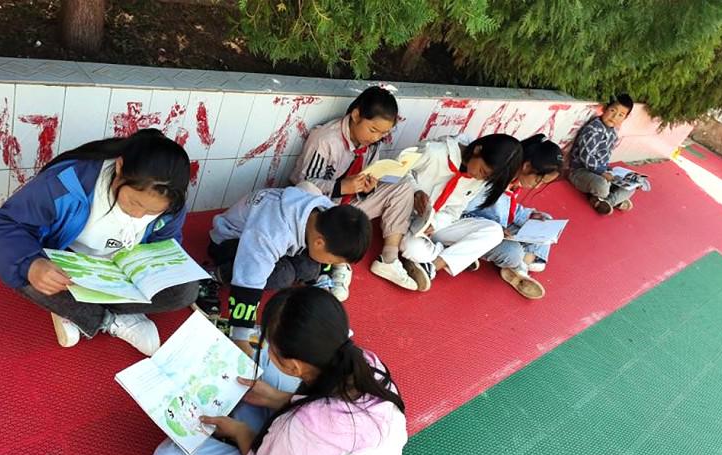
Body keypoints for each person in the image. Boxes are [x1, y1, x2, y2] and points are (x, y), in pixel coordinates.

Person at [151, 286, 408, 455]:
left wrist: (240, 433)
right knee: (255, 363)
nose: (268, 347)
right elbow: (329, 414)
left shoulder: (303, 429)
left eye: (272, 345)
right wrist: (276, 398)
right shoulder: (368, 364)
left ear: (295, 367)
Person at [0, 129, 196, 355]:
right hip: (67, 266)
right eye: (134, 202)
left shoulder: (171, 206)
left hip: (120, 271)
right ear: (119, 167)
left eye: (152, 211)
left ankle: (75, 311)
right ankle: (107, 320)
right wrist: (32, 265)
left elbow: (164, 246)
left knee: (186, 290)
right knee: (26, 271)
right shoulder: (66, 182)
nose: (138, 214)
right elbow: (2, 225)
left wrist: (156, 273)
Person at [207, 182, 370, 355]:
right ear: (319, 242)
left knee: (309, 268)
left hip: (267, 240)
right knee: (283, 275)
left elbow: (307, 187)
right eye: (332, 260)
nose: (331, 264)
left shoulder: (324, 212)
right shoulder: (272, 233)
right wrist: (240, 338)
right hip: (229, 243)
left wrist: (322, 287)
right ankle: (217, 275)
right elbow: (249, 280)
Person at [290, 86, 419, 296]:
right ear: (356, 115)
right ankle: (336, 263)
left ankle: (389, 259)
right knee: (310, 190)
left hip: (349, 203)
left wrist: (368, 187)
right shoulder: (326, 139)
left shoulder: (372, 144)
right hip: (320, 207)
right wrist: (342, 187)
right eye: (373, 130)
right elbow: (303, 183)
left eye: (384, 133)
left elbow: (369, 172)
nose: (377, 137)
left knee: (403, 186)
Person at [400, 133, 524, 290]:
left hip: (433, 226)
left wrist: (435, 224)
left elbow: (454, 211)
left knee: (495, 232)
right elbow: (399, 169)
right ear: (477, 150)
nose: (479, 178)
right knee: (411, 248)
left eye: (486, 178)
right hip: (404, 215)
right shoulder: (435, 152)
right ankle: (454, 255)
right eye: (483, 171)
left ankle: (433, 265)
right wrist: (415, 191)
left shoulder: (477, 179)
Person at [468, 134, 563, 299]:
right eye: (539, 180)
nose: (537, 186)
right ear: (526, 166)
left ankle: (521, 265)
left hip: (499, 225)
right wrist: (496, 229)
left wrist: (530, 215)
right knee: (512, 252)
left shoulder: (514, 181)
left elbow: (509, 209)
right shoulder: (492, 174)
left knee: (545, 220)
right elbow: (463, 211)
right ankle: (521, 265)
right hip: (478, 228)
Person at [568, 93, 635, 215]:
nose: (614, 117)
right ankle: (612, 200)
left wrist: (612, 173)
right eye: (613, 111)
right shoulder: (594, 129)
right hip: (580, 172)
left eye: (621, 115)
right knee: (602, 185)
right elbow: (586, 157)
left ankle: (605, 201)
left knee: (631, 187)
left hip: (601, 173)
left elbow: (604, 159)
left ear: (625, 118)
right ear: (605, 108)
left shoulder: (612, 133)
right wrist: (603, 173)